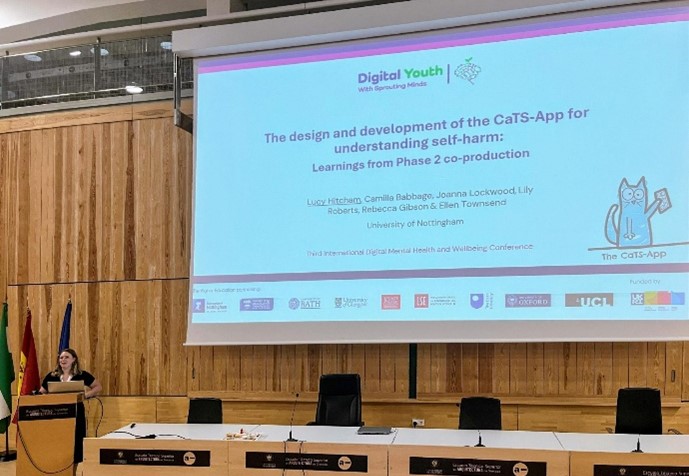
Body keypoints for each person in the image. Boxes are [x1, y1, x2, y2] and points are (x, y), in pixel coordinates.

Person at [39, 348, 102, 464]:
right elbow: (41, 392)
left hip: (76, 412)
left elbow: (98, 387)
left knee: (76, 439)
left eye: (66, 357)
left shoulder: (81, 374)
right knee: (58, 440)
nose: (63, 360)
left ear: (74, 359)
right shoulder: (52, 376)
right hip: (56, 412)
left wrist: (85, 396)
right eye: (61, 357)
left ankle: (75, 464)